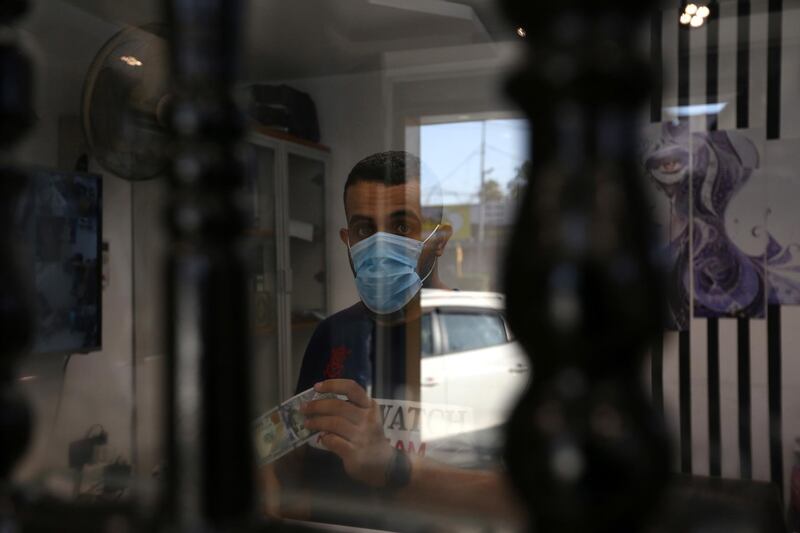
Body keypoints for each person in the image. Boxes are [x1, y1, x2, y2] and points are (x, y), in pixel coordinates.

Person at [263, 151, 523, 528]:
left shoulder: (490, 337)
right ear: (346, 239)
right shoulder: (332, 335)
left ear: (440, 238)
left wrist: (393, 468)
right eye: (365, 231)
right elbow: (299, 461)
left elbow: (523, 499)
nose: (380, 248)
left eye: (402, 227)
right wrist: (265, 473)